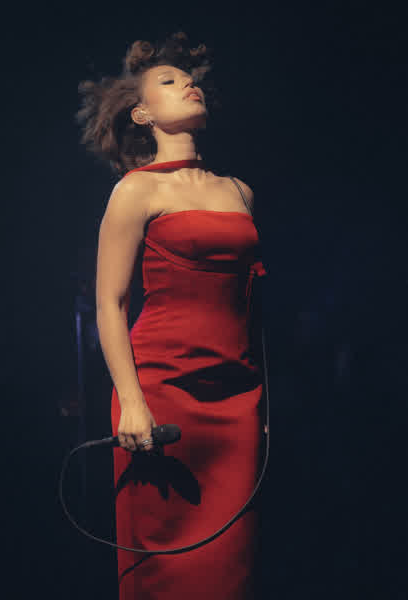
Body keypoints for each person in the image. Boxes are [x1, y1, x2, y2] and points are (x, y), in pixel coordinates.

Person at [75, 31, 267, 600]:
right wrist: (131, 401)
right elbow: (109, 304)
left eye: (190, 79)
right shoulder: (134, 191)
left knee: (231, 570)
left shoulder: (239, 192)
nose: (188, 84)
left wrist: (261, 400)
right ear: (143, 114)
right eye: (169, 81)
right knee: (163, 568)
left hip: (236, 398)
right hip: (163, 393)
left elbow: (250, 304)